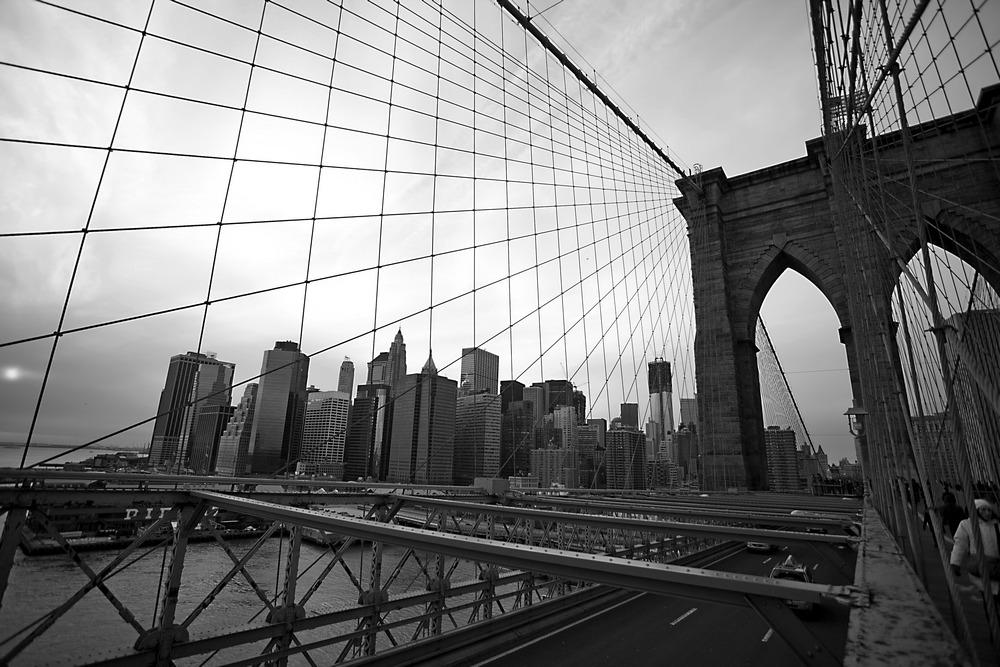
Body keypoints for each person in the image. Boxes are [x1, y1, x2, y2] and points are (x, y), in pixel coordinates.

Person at [950, 499, 1000, 597]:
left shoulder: (996, 525)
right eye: (983, 510)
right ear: (976, 510)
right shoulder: (967, 525)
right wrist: (955, 563)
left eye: (989, 510)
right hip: (979, 566)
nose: (987, 513)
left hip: (996, 566)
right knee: (988, 593)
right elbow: (960, 544)